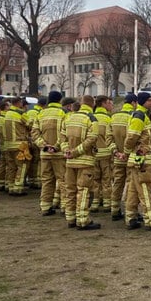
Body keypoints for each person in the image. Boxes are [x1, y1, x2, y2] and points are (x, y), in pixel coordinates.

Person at [60, 95, 100, 230]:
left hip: (69, 162)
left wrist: (67, 151)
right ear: (92, 105)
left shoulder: (69, 117)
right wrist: (76, 151)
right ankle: (83, 220)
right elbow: (92, 139)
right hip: (85, 161)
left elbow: (62, 138)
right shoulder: (92, 119)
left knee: (70, 190)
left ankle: (70, 218)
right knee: (83, 191)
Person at [124, 92, 151, 230]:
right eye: (150, 100)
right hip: (142, 161)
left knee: (133, 191)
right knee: (145, 189)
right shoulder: (139, 116)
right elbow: (132, 137)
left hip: (138, 160)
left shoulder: (143, 116)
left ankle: (131, 218)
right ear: (143, 102)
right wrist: (127, 152)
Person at [32, 90, 66, 216]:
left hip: (45, 154)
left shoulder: (40, 114)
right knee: (63, 180)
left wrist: (44, 146)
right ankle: (65, 207)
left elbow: (34, 133)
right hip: (59, 154)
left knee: (46, 181)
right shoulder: (63, 113)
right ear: (59, 100)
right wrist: (56, 147)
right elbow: (64, 132)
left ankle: (45, 207)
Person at [109, 93, 137, 221]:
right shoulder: (133, 116)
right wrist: (126, 153)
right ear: (133, 103)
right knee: (131, 185)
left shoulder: (114, 117)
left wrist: (116, 152)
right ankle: (130, 211)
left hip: (117, 157)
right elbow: (133, 138)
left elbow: (109, 138)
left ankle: (114, 210)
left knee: (117, 183)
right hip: (130, 157)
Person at [90, 95, 115, 213]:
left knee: (95, 179)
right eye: (110, 103)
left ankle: (95, 203)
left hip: (93, 154)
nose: (112, 105)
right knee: (106, 179)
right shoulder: (108, 119)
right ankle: (107, 203)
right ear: (104, 104)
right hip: (106, 154)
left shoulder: (91, 117)